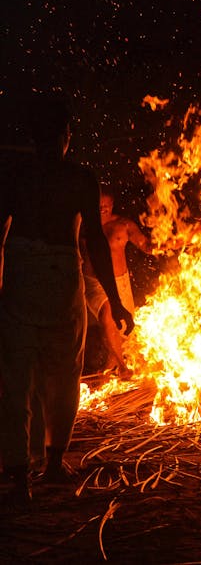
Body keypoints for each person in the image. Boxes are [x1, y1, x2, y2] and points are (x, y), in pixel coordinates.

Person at [0, 92, 133, 507]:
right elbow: (94, 240)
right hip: (60, 274)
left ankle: (19, 472)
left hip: (22, 271)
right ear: (65, 136)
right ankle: (54, 465)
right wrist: (116, 300)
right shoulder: (80, 178)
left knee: (16, 377)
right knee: (62, 374)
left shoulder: (15, 176)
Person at [81, 185, 152, 378]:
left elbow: (145, 244)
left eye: (106, 204)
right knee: (107, 315)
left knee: (120, 331)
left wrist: (165, 243)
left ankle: (108, 373)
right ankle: (122, 367)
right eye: (99, 204)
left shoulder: (123, 225)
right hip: (95, 283)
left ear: (112, 205)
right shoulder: (84, 225)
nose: (103, 208)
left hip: (120, 282)